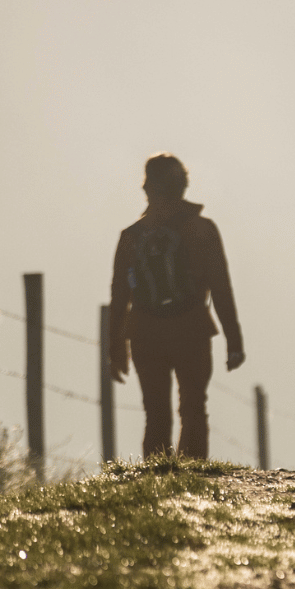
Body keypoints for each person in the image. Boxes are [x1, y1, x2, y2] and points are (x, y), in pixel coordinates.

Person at [108, 153, 245, 459]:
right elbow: (221, 288)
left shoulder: (131, 237)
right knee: (193, 407)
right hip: (192, 328)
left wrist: (115, 347)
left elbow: (119, 297)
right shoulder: (202, 229)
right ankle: (193, 479)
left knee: (155, 412)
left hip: (144, 332)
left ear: (149, 188)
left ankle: (157, 486)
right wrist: (233, 341)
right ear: (182, 186)